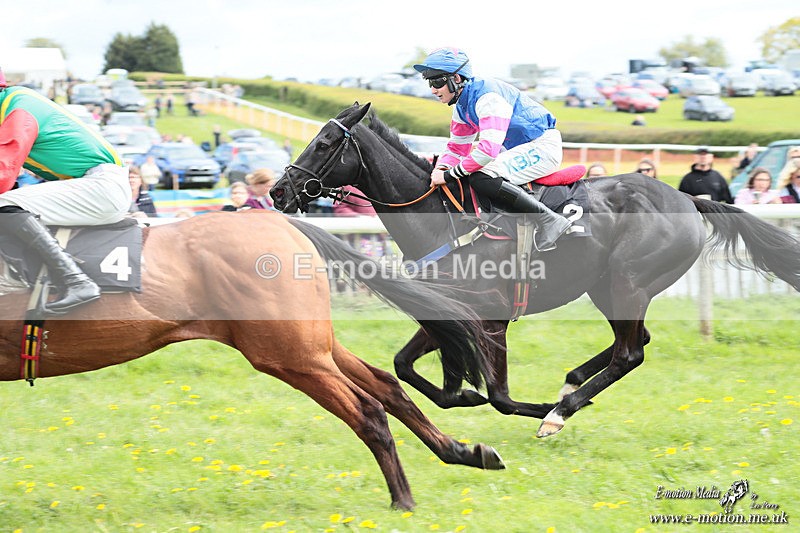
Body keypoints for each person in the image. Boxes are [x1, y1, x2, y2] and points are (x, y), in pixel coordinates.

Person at [413, 47, 570, 251]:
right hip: (520, 149)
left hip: (542, 147)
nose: (433, 90)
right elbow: (456, 148)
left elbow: (487, 151)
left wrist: (450, 174)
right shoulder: (462, 105)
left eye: (437, 82)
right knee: (471, 176)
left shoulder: (488, 96)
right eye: (430, 83)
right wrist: (441, 168)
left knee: (481, 176)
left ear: (457, 79)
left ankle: (549, 219)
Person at [0, 68, 130, 314]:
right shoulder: (11, 107)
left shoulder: (18, 108)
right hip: (93, 185)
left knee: (3, 203)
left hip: (101, 187)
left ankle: (75, 280)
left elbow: (3, 174)